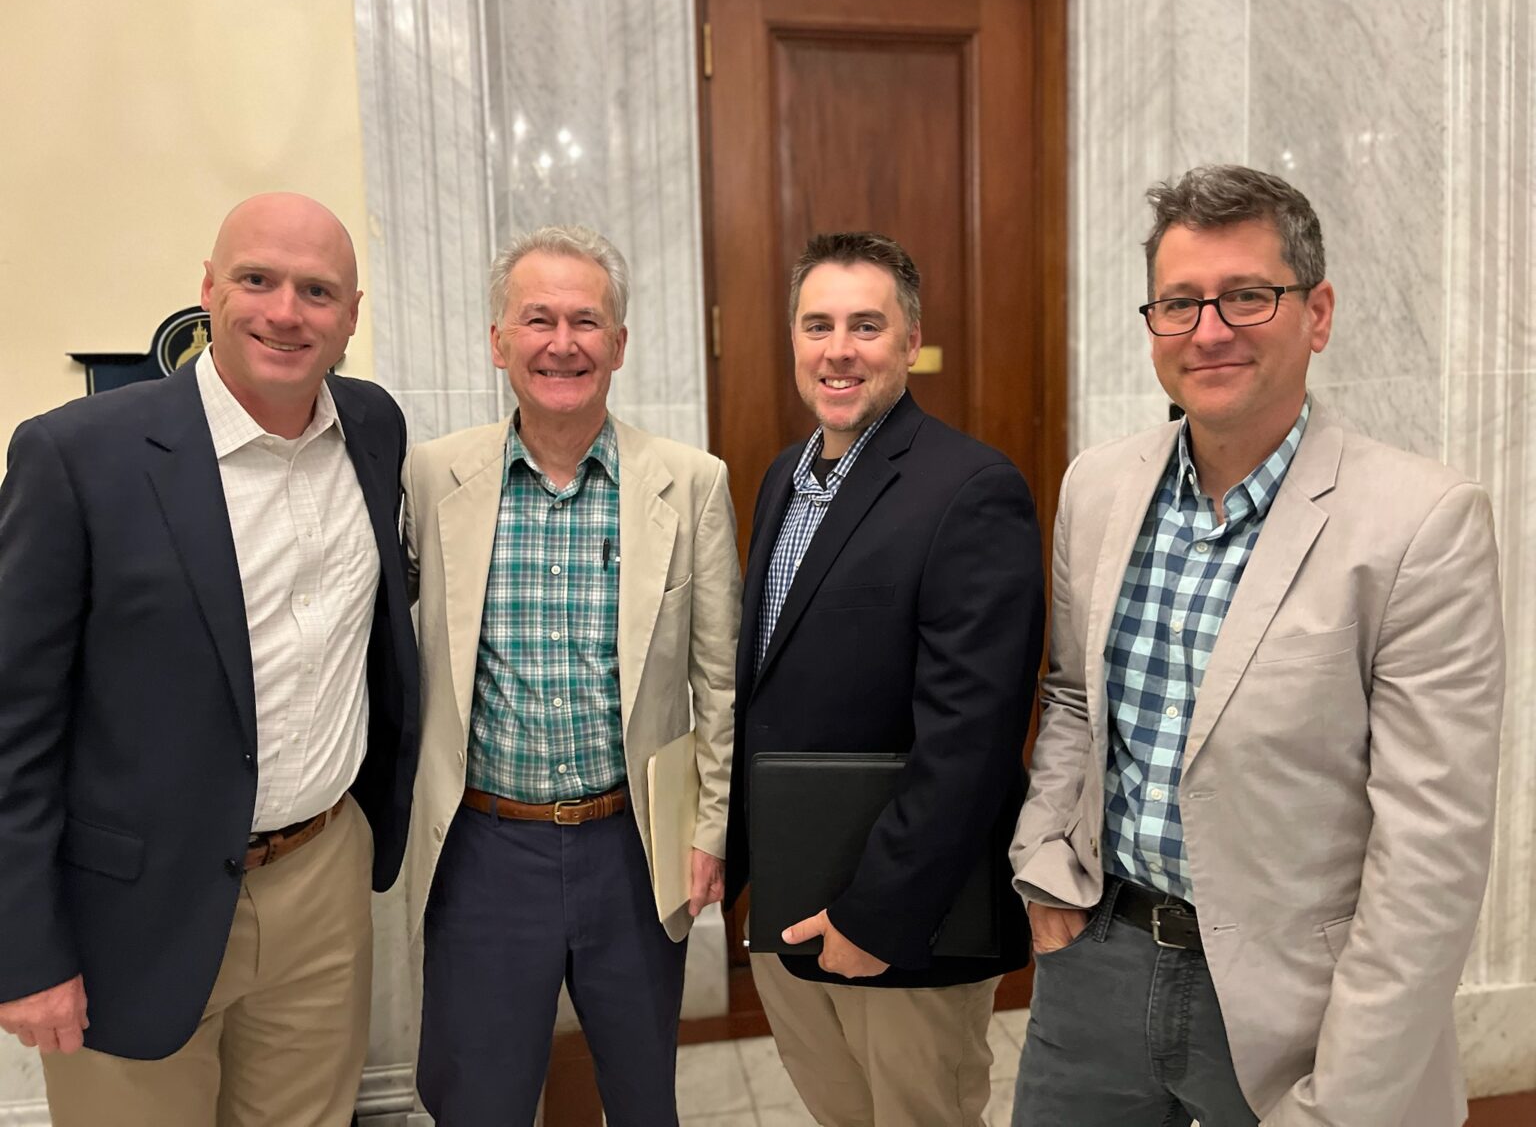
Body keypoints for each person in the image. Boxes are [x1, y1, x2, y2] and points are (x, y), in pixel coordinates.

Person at [1009, 164, 1505, 1127]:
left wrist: (1346, 1098)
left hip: (1303, 1009)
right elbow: (1072, 697)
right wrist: (1042, 856)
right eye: (1180, 302)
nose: (1210, 330)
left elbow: (1430, 851)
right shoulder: (1098, 487)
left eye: (1248, 296)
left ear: (1316, 313)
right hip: (1100, 960)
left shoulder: (1421, 523)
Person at [0, 193, 421, 1126]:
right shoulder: (76, 456)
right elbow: (13, 722)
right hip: (133, 908)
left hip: (321, 877)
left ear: (352, 315)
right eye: (257, 280)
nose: (285, 312)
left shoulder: (374, 429)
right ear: (207, 290)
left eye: (317, 291)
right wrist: (24, 950)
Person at [401, 224, 740, 1126]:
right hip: (484, 850)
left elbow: (720, 680)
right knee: (480, 1099)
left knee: (640, 1097)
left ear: (620, 344)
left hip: (630, 845)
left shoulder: (690, 483)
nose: (563, 343)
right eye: (538, 319)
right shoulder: (434, 479)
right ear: (498, 341)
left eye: (586, 321)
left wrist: (710, 829)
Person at [724, 231, 1045, 1127]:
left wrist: (876, 916)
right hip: (793, 904)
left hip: (903, 922)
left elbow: (972, 739)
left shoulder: (971, 488)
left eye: (867, 325)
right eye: (817, 324)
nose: (838, 349)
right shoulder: (785, 477)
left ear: (911, 341)